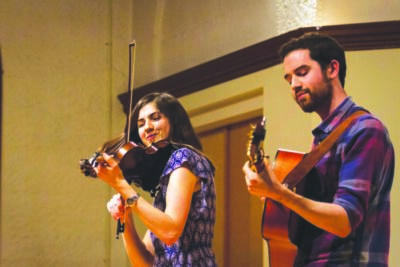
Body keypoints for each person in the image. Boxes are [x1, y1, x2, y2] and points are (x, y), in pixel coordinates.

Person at [242, 32, 394, 266]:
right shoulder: (324, 138)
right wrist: (275, 195)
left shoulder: (365, 129)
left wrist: (280, 193)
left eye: (302, 73)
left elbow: (345, 220)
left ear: (332, 69)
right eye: (288, 78)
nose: (294, 84)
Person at [95, 92, 218, 266]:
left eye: (155, 118)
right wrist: (126, 217)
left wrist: (122, 185)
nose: (147, 127)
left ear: (173, 120)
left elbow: (170, 232)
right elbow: (144, 263)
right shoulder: (165, 183)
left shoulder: (184, 158)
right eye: (141, 123)